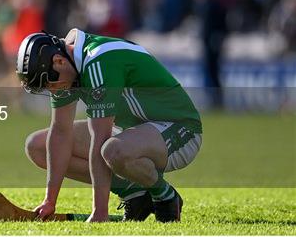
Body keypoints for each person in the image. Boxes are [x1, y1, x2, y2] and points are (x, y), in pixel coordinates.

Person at [17, 29, 202, 222]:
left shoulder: (98, 60)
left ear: (59, 61)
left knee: (112, 150)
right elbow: (61, 132)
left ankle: (165, 195)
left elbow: (100, 140)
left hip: (181, 129)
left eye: (49, 84)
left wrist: (99, 212)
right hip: (131, 132)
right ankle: (135, 194)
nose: (51, 89)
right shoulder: (66, 65)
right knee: (37, 146)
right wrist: (50, 201)